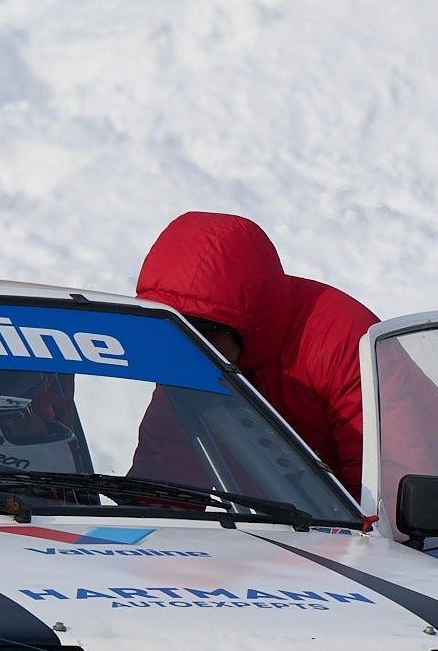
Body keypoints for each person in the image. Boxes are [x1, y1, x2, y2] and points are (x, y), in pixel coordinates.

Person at [132, 211, 379, 496]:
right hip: (275, 535)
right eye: (173, 330)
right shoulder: (194, 362)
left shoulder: (345, 344)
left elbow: (386, 498)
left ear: (241, 323)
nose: (186, 346)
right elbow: (162, 491)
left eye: (202, 331)